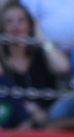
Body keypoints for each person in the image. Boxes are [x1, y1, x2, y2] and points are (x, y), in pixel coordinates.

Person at [1, 0, 68, 129]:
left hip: (51, 117)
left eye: (21, 20)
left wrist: (41, 37)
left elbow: (63, 67)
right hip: (15, 121)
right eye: (9, 21)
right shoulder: (2, 61)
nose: (16, 26)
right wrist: (27, 107)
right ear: (2, 28)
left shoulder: (42, 53)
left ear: (30, 25)